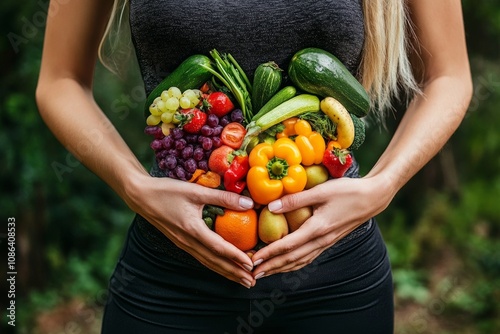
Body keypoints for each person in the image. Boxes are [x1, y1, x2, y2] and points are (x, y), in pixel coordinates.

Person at [36, 0, 472, 333]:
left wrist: (386, 183)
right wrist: (131, 183)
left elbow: (448, 76)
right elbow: (60, 81)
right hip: (168, 284)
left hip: (335, 286)